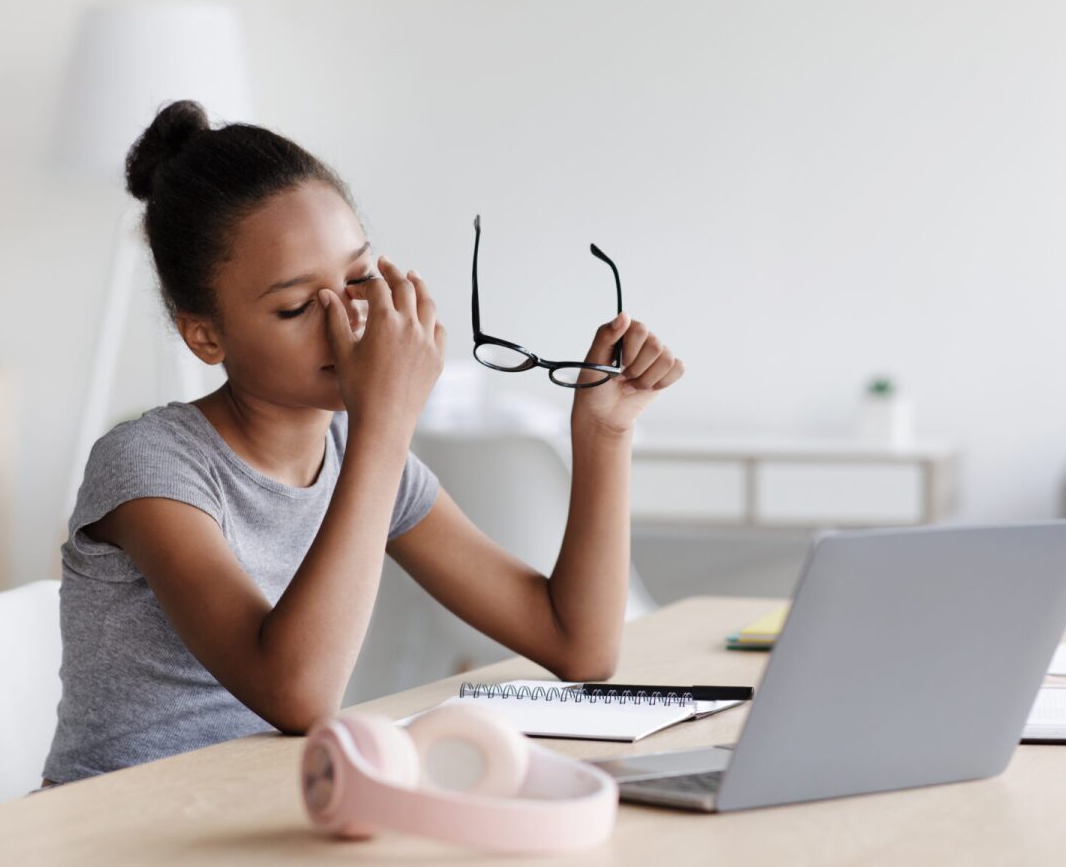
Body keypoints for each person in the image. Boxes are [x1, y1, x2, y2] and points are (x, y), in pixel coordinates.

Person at [39, 100, 685, 787]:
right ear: (206, 336)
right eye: (296, 307)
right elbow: (298, 695)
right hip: (121, 820)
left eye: (359, 280)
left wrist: (605, 432)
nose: (349, 319)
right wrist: (385, 421)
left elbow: (579, 645)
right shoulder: (149, 467)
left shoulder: (359, 452)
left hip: (263, 809)